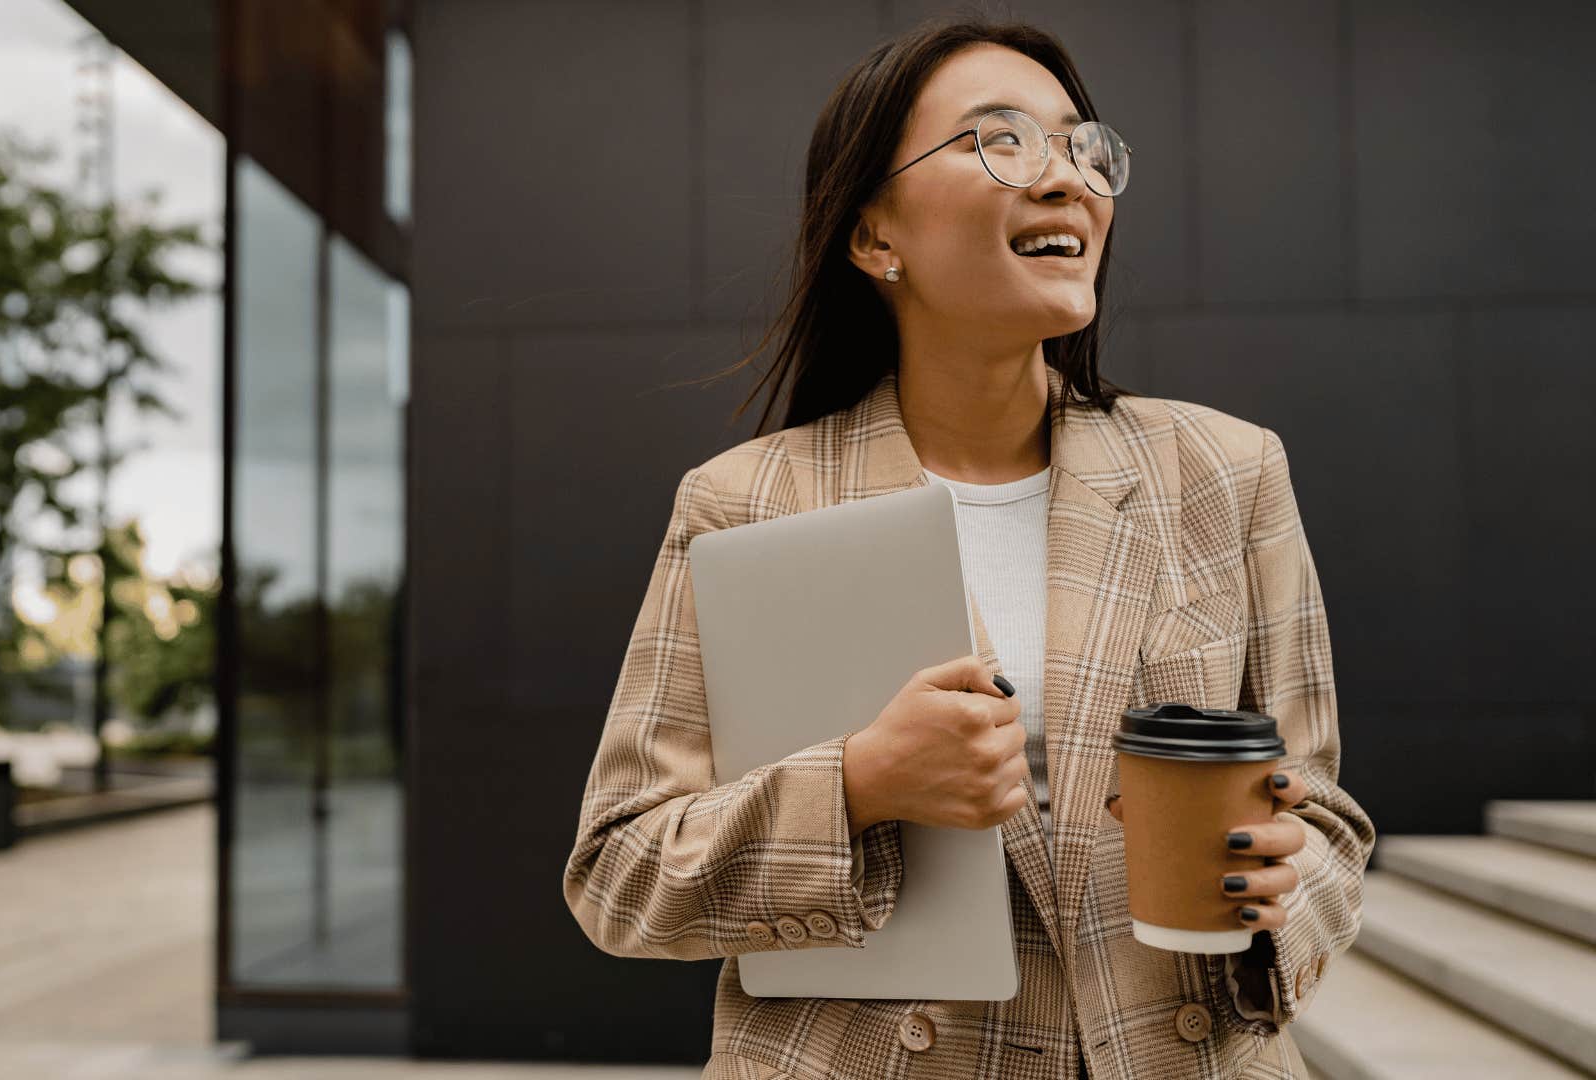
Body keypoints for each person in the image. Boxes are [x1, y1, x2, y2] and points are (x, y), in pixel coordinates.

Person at [561, 16, 1374, 1080]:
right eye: (1002, 141)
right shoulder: (748, 504)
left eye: (1085, 150)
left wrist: (1286, 875)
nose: (1066, 179)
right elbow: (620, 876)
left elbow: (1325, 817)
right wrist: (857, 784)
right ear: (873, 235)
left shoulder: (1224, 472)